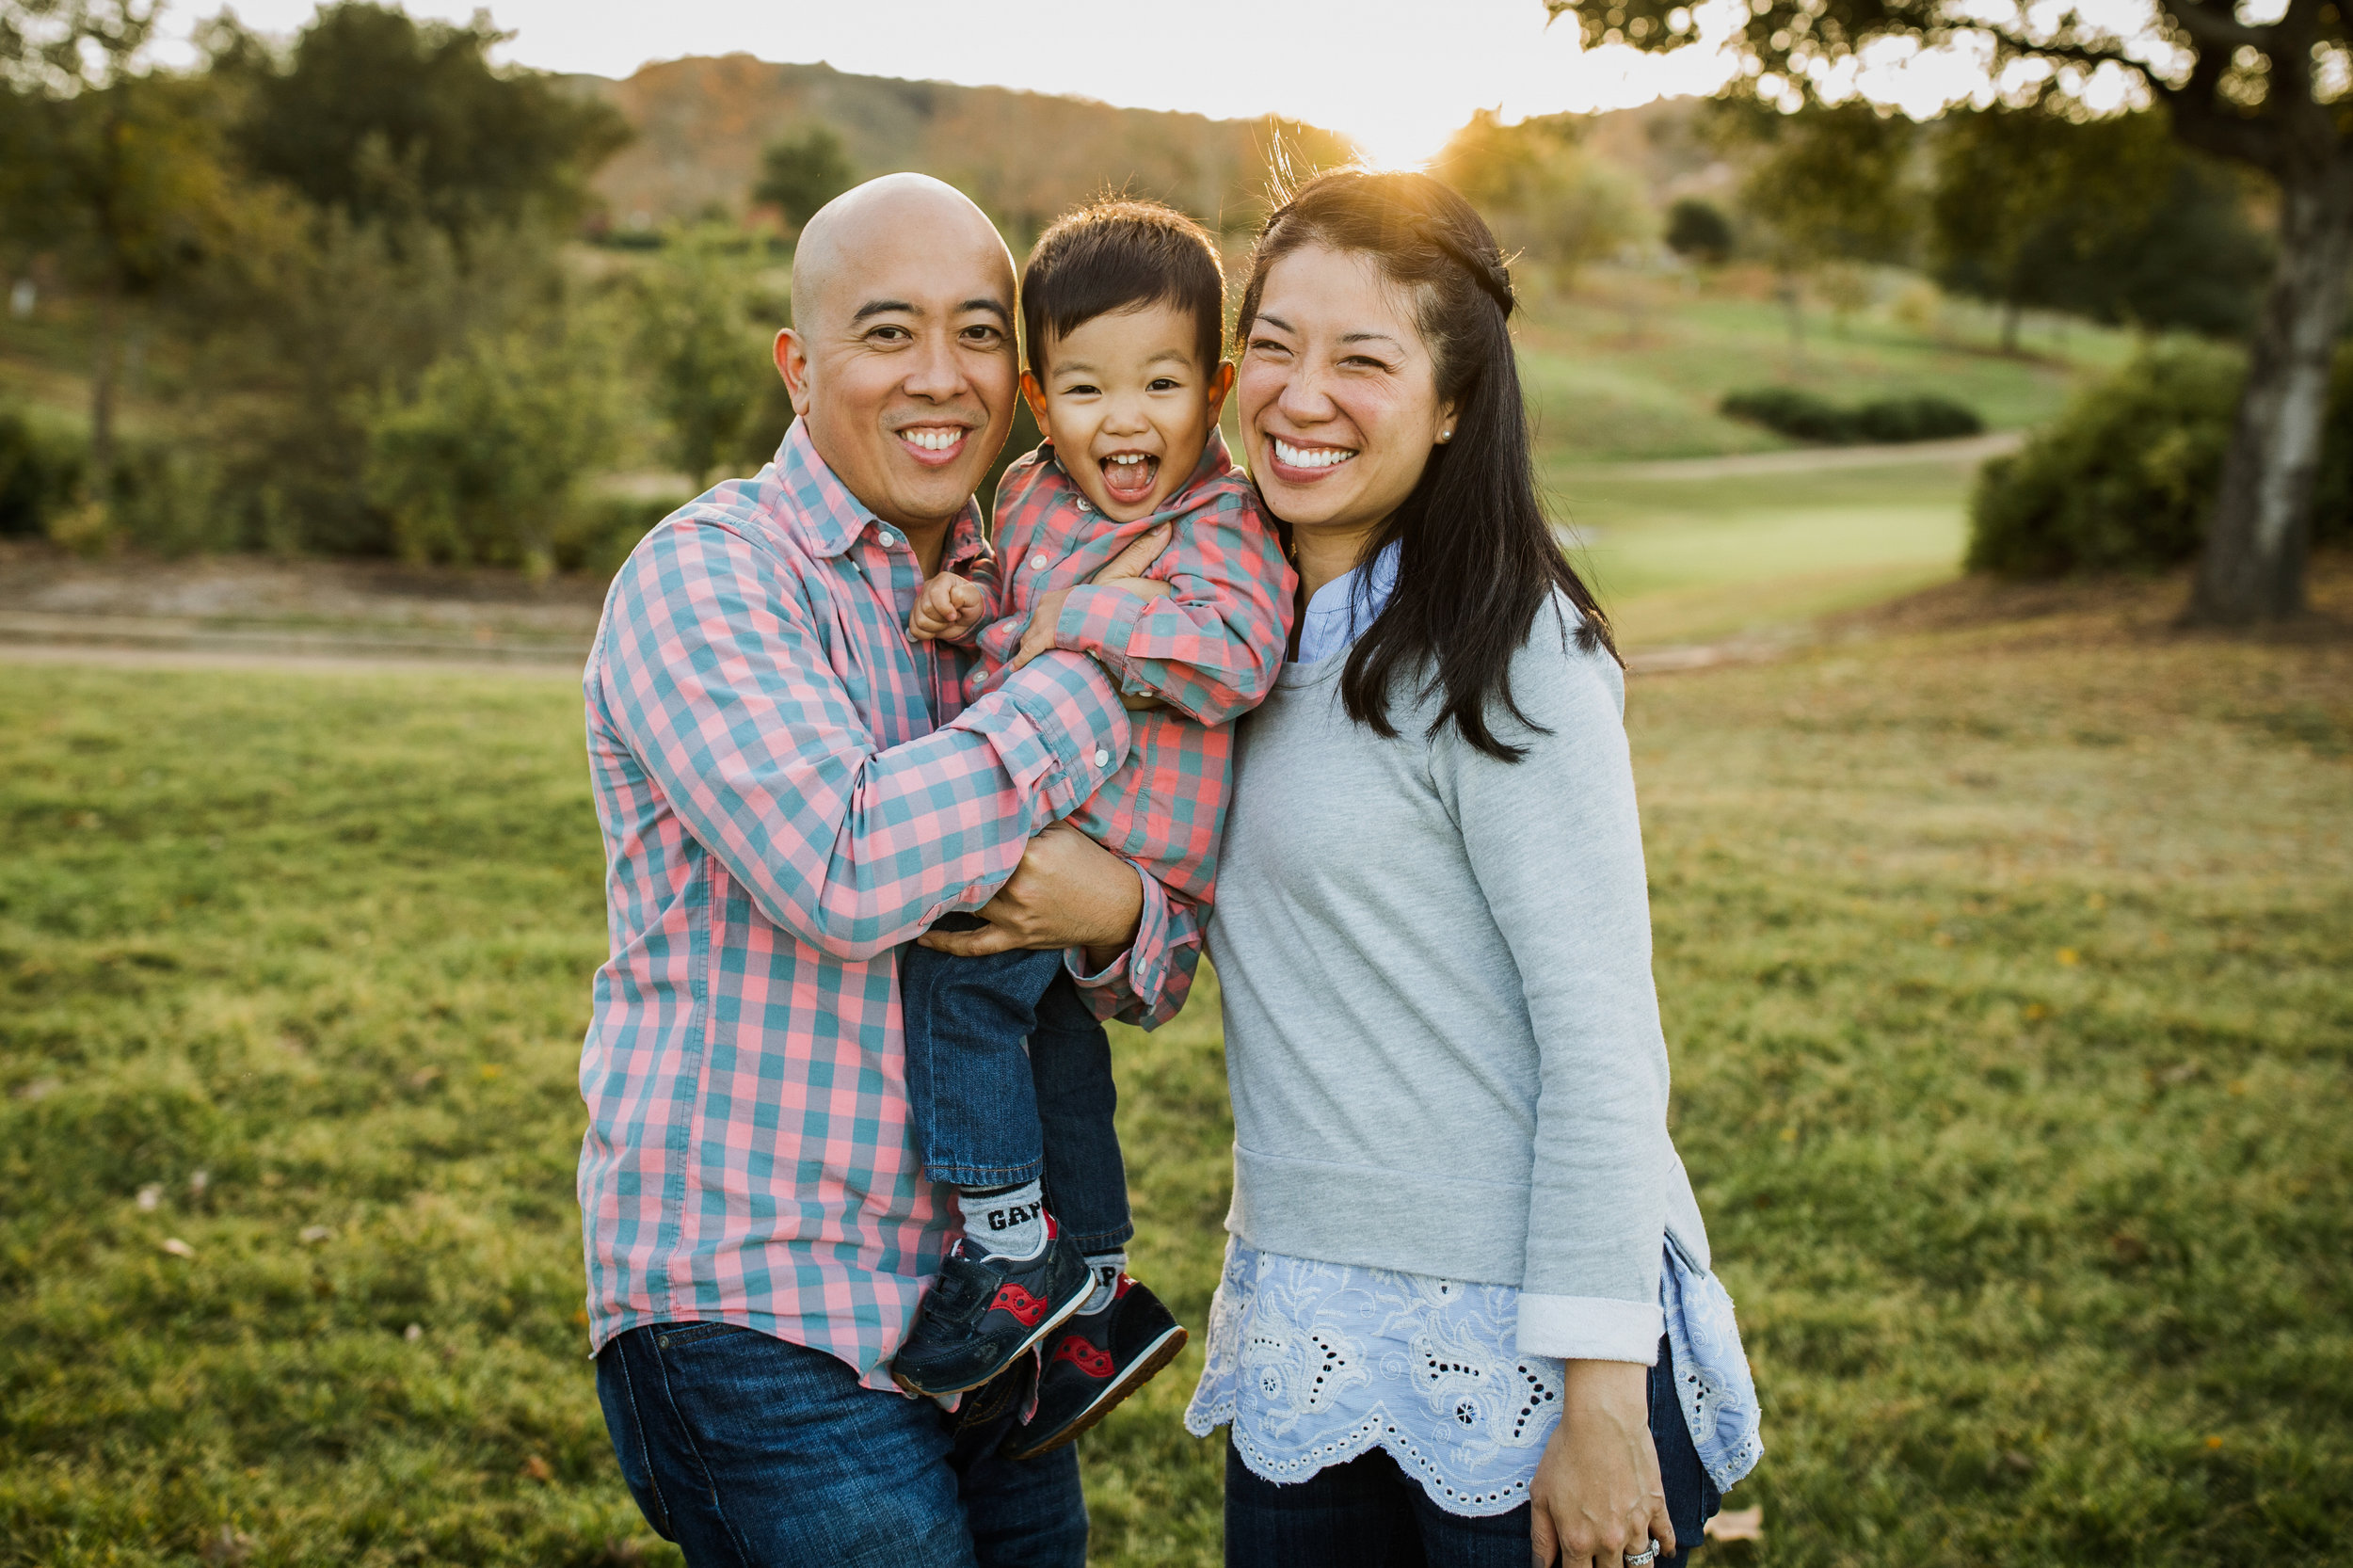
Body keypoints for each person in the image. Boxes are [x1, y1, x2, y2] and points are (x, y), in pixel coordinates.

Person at [577, 173, 1180, 1568]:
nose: (941, 377)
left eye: (978, 333)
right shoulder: (711, 575)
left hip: (994, 1314)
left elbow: (1142, 946)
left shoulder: (1017, 581)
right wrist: (1096, 672)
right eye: (888, 331)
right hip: (757, 1308)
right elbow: (848, 865)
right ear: (800, 365)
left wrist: (1121, 914)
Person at [1180, 169, 1764, 1568]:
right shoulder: (1220, 639)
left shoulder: (1510, 650)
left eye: (1363, 357)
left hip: (1526, 1343)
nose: (1300, 394)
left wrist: (1603, 1397)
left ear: (1451, 405)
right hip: (1306, 1319)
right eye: (1274, 342)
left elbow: (1603, 1040)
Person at [889, 199, 1293, 1450]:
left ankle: (1008, 1249)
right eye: (1084, 387)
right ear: (1035, 396)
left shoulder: (1223, 522)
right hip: (1057, 801)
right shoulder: (1031, 491)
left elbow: (1238, 654)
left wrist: (1085, 618)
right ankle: (1095, 1296)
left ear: (1215, 387)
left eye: (1161, 383)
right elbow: (1016, 599)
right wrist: (971, 599)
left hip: (1113, 837)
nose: (1124, 419)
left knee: (954, 985)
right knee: (1057, 1053)